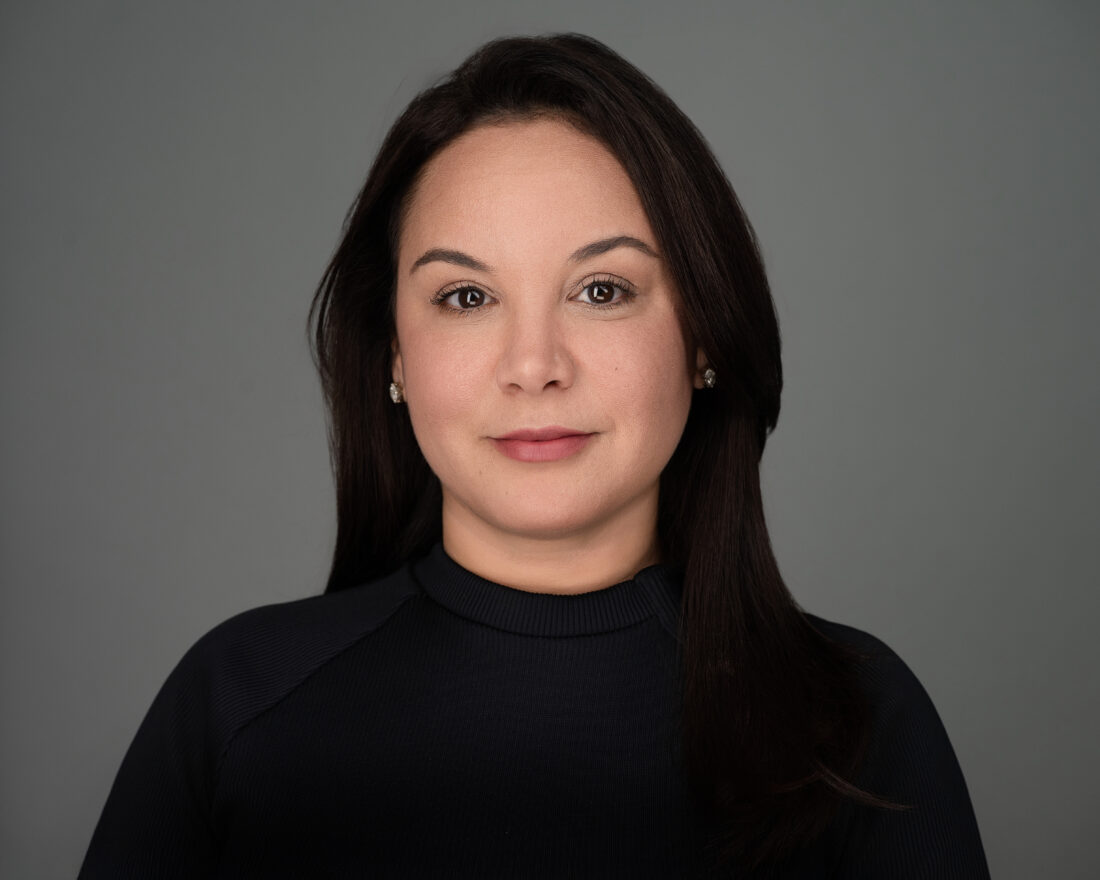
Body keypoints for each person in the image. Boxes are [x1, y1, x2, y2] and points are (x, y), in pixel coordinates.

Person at [78, 33, 990, 878]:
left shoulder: (856, 728)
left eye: (601, 289)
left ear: (705, 334)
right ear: (394, 354)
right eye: (467, 298)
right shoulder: (237, 706)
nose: (532, 368)